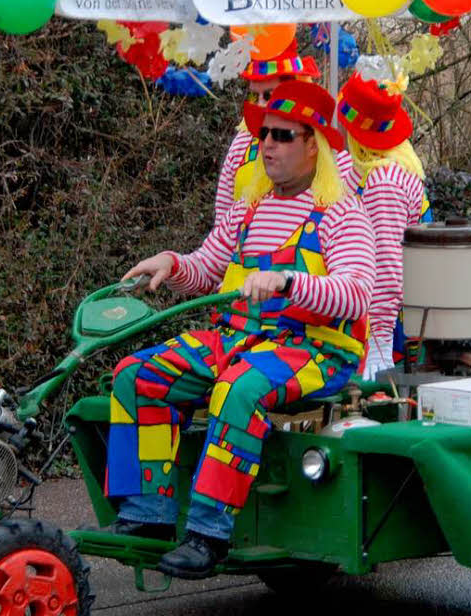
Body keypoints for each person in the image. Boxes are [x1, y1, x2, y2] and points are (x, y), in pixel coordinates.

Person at [104, 80, 376, 578]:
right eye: (263, 134)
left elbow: (357, 293)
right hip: (237, 341)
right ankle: (148, 515)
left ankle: (208, 533)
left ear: (314, 144)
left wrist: (290, 283)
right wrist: (169, 264)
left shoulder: (342, 214)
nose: (266, 145)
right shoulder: (245, 210)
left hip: (315, 349)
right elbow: (206, 268)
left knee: (237, 389)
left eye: (281, 135)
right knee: (135, 375)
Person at [336, 73, 432, 379]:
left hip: (387, 327)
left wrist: (379, 341)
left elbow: (388, 268)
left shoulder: (384, 182)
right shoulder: (364, 164)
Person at [212, 39, 322, 221]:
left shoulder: (321, 144)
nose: (261, 104)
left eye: (270, 95)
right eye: (257, 95)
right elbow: (223, 215)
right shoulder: (242, 143)